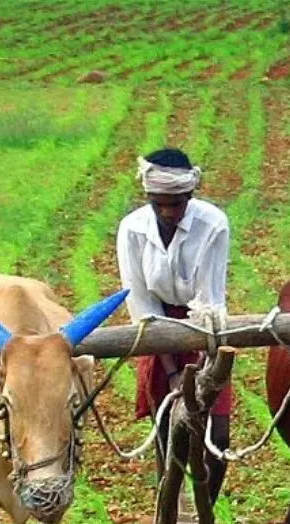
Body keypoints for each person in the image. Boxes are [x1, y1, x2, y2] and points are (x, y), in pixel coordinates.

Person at [116, 147, 232, 504]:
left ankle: (204, 514)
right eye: (159, 204)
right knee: (168, 426)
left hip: (204, 327)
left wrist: (203, 372)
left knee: (218, 433)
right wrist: (170, 372)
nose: (168, 212)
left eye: (176, 204)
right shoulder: (133, 229)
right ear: (149, 198)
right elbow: (141, 303)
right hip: (156, 329)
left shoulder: (213, 224)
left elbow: (209, 299)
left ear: (190, 195)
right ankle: (169, 506)